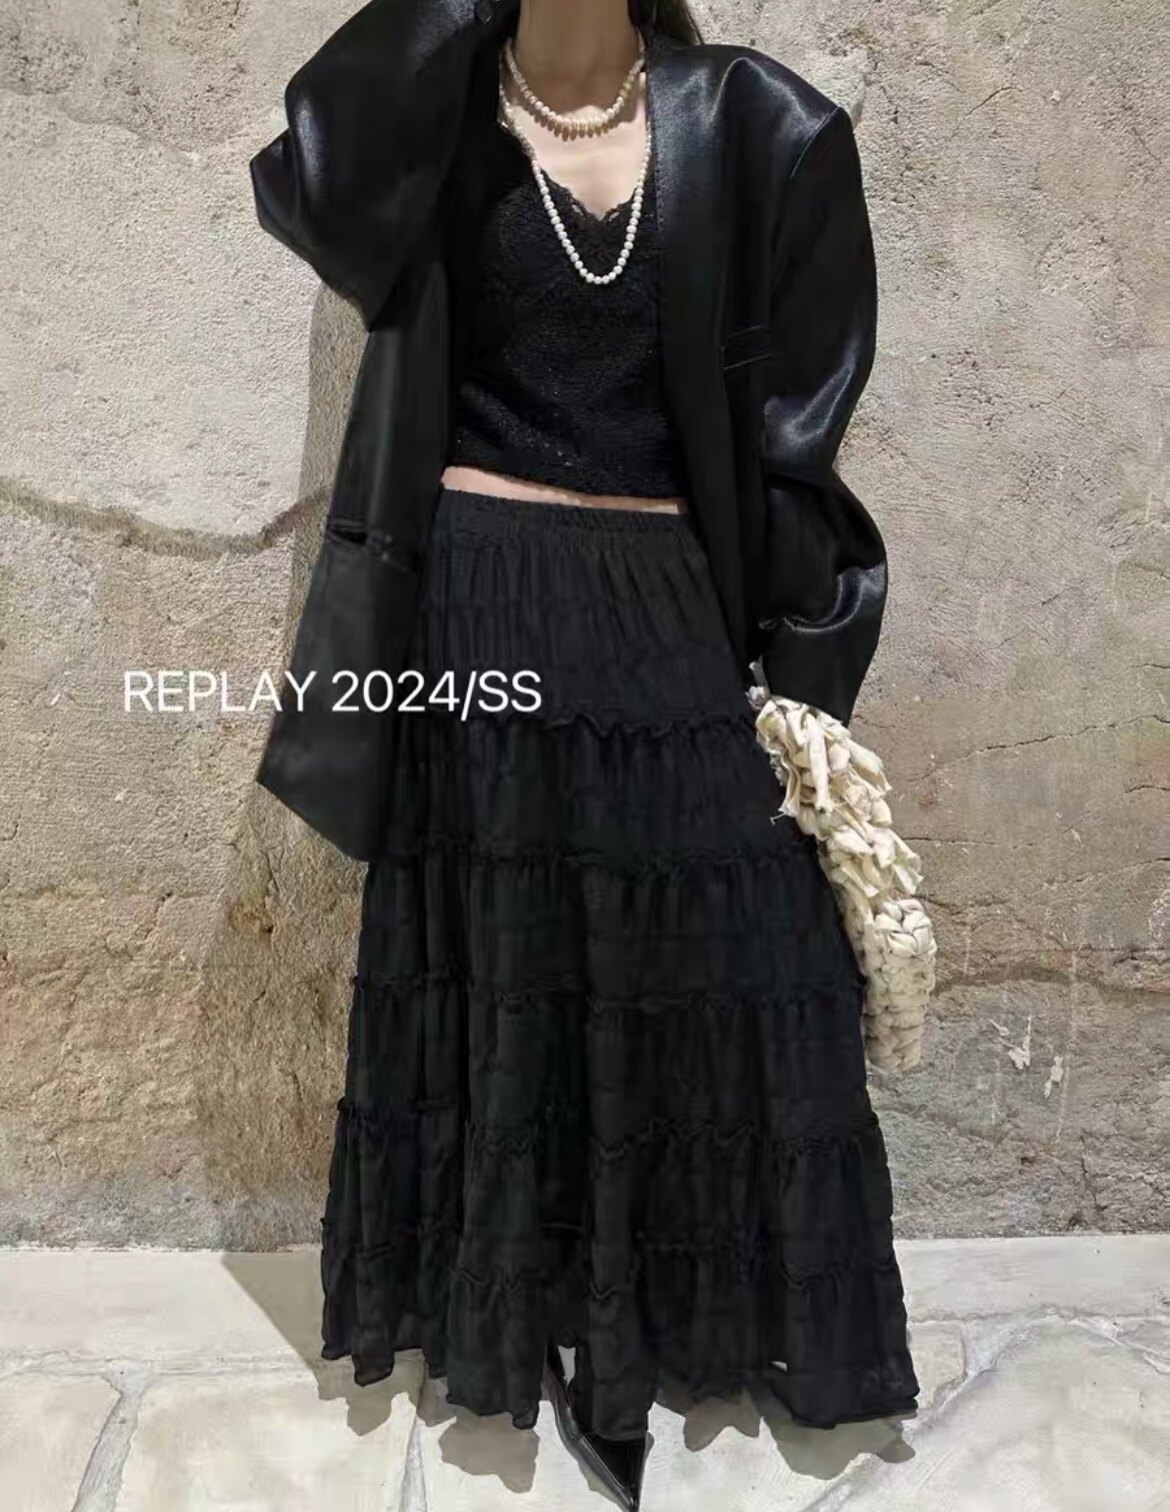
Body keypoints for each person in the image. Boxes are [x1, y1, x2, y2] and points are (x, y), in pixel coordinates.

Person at [252, 1, 920, 1506]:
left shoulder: (760, 123)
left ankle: (659, 1314)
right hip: (475, 588)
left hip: (666, 592)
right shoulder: (430, 126)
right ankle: (533, 1311)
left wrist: (806, 669)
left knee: (737, 953)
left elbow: (797, 437)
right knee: (506, 955)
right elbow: (314, 179)